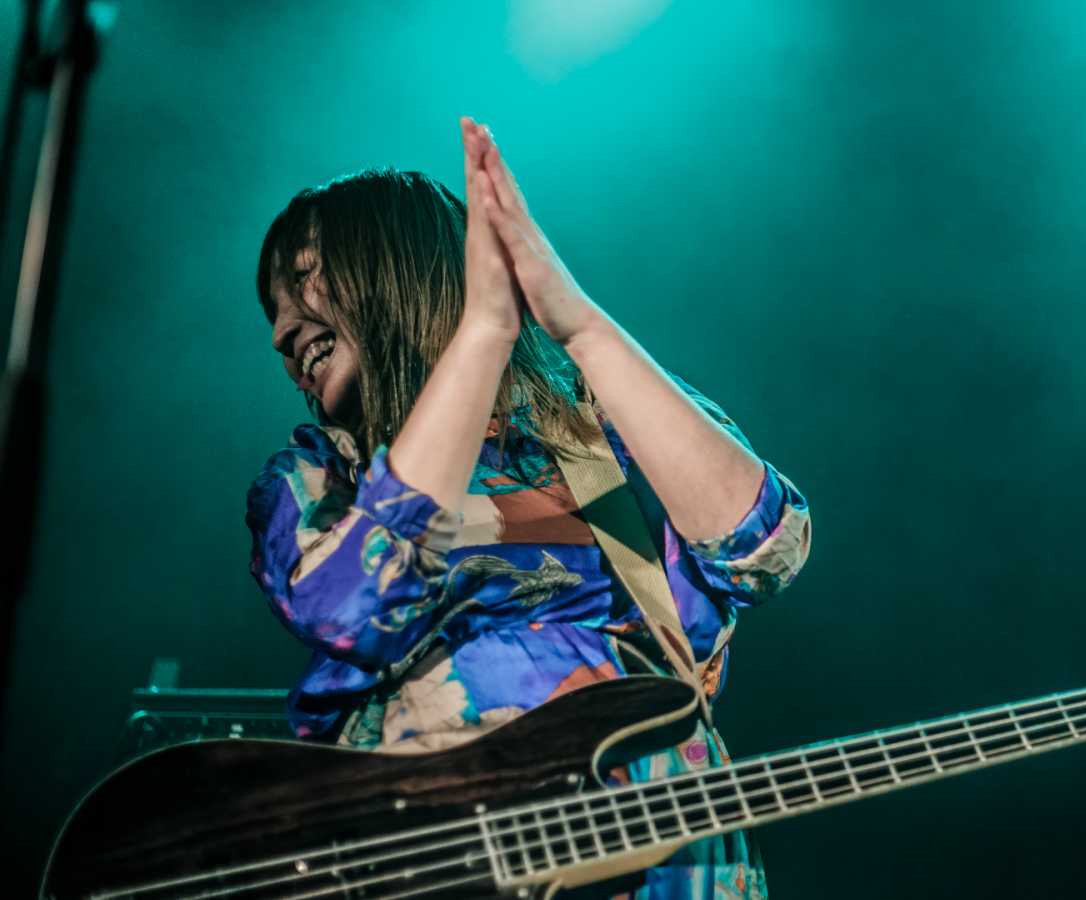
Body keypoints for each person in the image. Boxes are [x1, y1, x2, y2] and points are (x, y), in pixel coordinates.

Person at [244, 118, 810, 898]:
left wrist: (574, 322)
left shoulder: (596, 437)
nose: (279, 334)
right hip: (440, 869)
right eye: (271, 314)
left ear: (399, 266)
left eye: (300, 282)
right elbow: (349, 601)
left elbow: (767, 546)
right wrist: (481, 333)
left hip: (672, 868)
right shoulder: (317, 478)